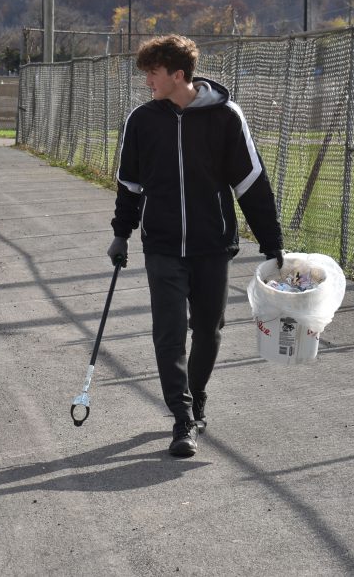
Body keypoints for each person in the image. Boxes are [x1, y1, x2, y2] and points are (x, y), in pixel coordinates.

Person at [108, 34, 284, 458]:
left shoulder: (226, 117)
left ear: (178, 74)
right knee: (168, 334)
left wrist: (271, 241)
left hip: (212, 245)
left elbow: (251, 185)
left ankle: (197, 395)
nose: (147, 80)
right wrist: (121, 232)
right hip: (163, 246)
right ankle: (183, 418)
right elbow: (129, 184)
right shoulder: (142, 120)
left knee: (208, 329)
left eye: (153, 72)